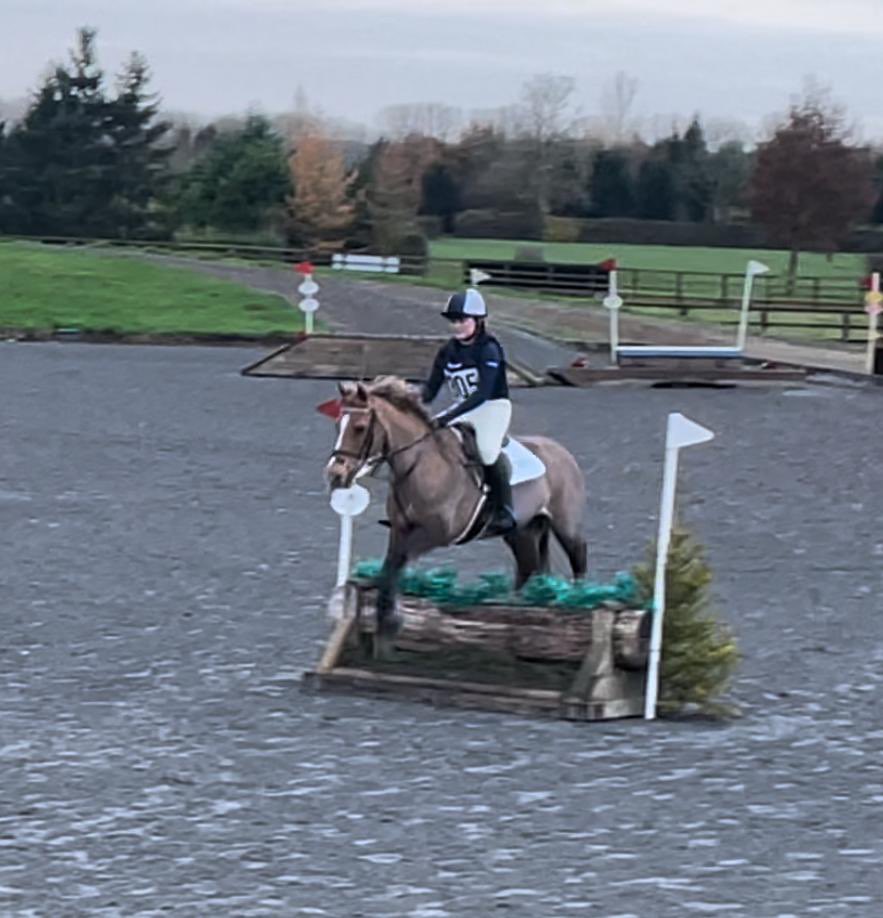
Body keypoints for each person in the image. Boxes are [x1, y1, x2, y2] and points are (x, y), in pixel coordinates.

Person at [422, 288, 516, 536]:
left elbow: (483, 393)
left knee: (486, 451)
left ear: (478, 320)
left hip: (492, 407)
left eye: (462, 320)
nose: (457, 326)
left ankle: (505, 510)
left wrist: (446, 417)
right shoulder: (447, 352)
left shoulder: (489, 349)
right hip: (463, 407)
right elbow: (430, 391)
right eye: (454, 321)